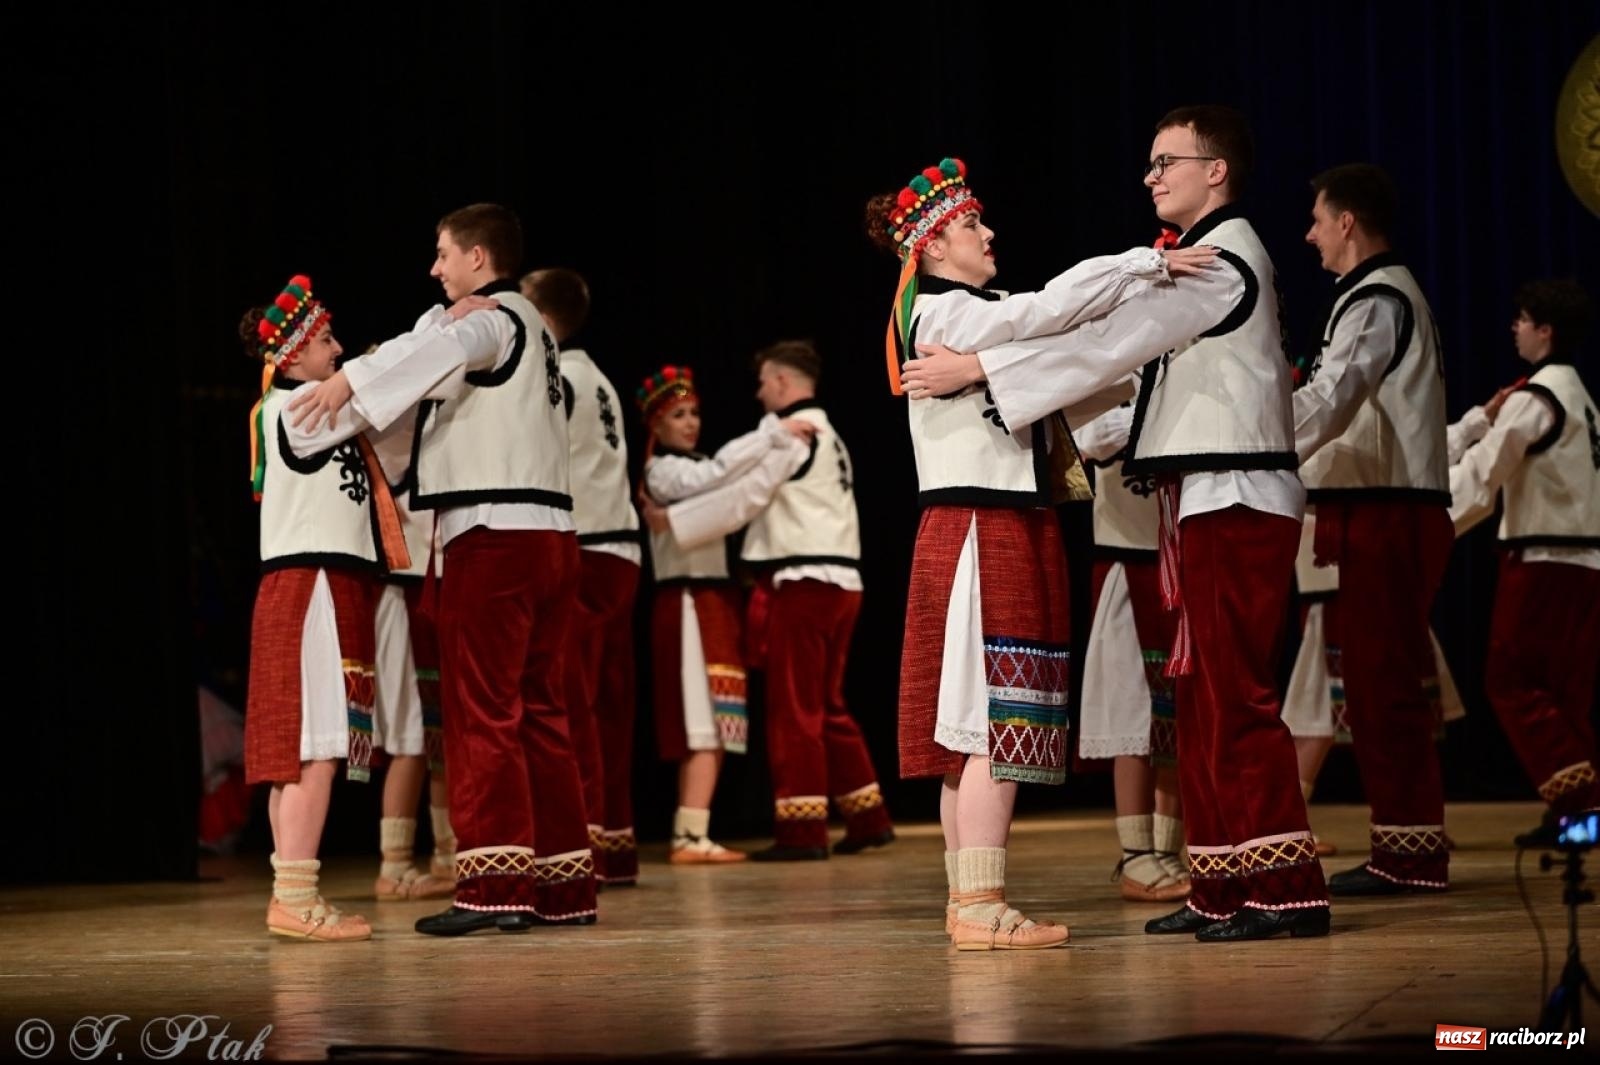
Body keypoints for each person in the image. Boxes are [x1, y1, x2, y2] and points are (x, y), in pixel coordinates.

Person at [902, 107, 1332, 941]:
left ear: (1216, 170)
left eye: (1167, 161)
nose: (1150, 176)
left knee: (1233, 691)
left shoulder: (1221, 259)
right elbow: (1107, 362)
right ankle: (1220, 882)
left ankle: (1285, 888)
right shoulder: (1190, 262)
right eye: (1150, 162)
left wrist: (980, 368)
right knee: (1199, 696)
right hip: (1200, 497)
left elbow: (1111, 342)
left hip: (1236, 492)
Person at [867, 156, 1213, 951]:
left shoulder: (967, 318)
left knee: (975, 729)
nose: (988, 233)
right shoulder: (945, 313)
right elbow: (1049, 309)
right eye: (970, 224)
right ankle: (980, 903)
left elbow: (1061, 377)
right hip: (981, 527)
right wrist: (1144, 265)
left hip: (989, 522)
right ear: (931, 245)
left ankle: (970, 900)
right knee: (994, 722)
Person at [285, 203, 598, 933]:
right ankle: (561, 886)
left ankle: (493, 889)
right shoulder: (529, 324)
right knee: (541, 712)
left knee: (483, 711)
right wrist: (434, 326)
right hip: (551, 537)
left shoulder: (491, 320)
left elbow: (446, 348)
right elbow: (437, 342)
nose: (435, 268)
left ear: (478, 258)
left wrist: (350, 380)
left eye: (443, 254)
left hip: (495, 537)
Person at [657, 340, 894, 860]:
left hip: (805, 580)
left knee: (794, 708)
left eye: (764, 381)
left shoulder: (791, 435)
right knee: (827, 704)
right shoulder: (828, 432)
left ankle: (802, 831)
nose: (759, 392)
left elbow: (744, 498)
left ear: (783, 382)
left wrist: (672, 521)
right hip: (841, 580)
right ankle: (867, 816)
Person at [1290, 163, 1454, 895]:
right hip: (1380, 506)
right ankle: (1405, 842)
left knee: (1384, 680)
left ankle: (1411, 852)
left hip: (1390, 509)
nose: (1311, 234)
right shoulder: (1377, 294)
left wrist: (1260, 444)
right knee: (1374, 678)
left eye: (1318, 219)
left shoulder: (1378, 297)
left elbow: (1335, 395)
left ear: (1347, 221)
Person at [242, 274, 393, 942]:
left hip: (318, 581)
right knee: (315, 748)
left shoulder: (301, 406)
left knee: (305, 747)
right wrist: (414, 349)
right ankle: (296, 898)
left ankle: (293, 893)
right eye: (326, 339)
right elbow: (377, 398)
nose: (337, 350)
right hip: (312, 585)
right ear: (296, 352)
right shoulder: (297, 407)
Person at [635, 365, 812, 862]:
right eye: (678, 415)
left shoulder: (697, 469)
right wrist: (772, 435)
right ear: (656, 425)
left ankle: (694, 831)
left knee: (716, 721)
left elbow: (734, 496)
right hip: (687, 600)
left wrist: (773, 454)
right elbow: (720, 483)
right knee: (701, 722)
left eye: (694, 413)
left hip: (714, 600)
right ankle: (689, 835)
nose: (690, 423)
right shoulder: (663, 472)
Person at [1448, 279, 1600, 842]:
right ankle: (1577, 818)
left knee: (1511, 680)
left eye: (1523, 320)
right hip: (1585, 561)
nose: (1515, 328)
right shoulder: (1582, 397)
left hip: (1543, 560)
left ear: (1546, 331)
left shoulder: (1535, 398)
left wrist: (1429, 521)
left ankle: (1583, 800)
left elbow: (1483, 475)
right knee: (1565, 691)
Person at [523, 267, 644, 885]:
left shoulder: (556, 377)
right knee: (609, 704)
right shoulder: (595, 376)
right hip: (620, 546)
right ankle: (613, 844)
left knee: (575, 702)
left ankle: (583, 845)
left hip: (588, 545)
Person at [1074, 399, 1189, 903]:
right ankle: (1136, 852)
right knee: (1134, 715)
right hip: (1126, 559)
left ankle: (1167, 847)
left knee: (1176, 717)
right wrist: (1152, 401)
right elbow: (1087, 440)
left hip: (1176, 559)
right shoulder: (1109, 382)